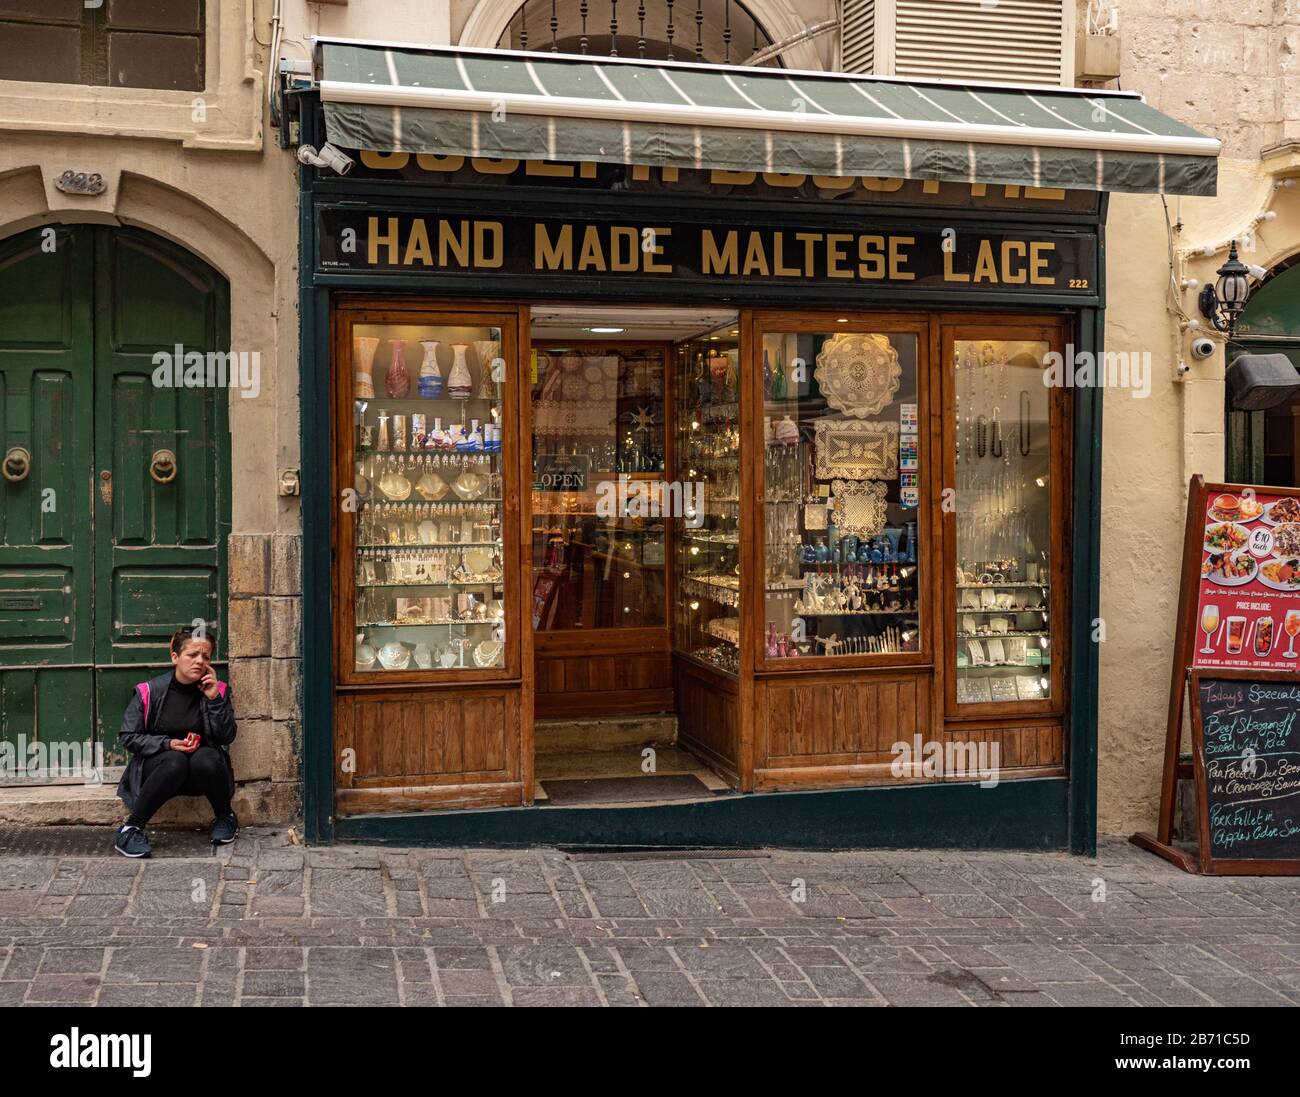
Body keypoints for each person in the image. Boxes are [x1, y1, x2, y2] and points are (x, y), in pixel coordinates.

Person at [114, 626, 239, 858]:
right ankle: (131, 828)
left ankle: (225, 816)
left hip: (201, 773)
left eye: (206, 657)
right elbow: (128, 736)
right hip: (162, 772)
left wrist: (214, 699)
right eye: (192, 655)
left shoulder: (217, 690)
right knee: (175, 761)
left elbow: (226, 737)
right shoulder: (149, 691)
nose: (199, 662)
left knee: (208, 757)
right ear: (175, 657)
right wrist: (167, 744)